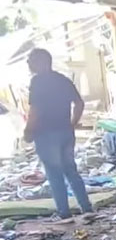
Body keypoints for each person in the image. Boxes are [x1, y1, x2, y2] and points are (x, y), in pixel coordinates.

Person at [23, 48, 94, 219]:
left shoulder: (37, 82)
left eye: (31, 61)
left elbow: (35, 111)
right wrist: (72, 124)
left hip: (46, 134)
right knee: (71, 171)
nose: (29, 64)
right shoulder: (63, 80)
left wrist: (28, 131)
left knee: (54, 174)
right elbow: (79, 103)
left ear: (41, 62)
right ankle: (86, 207)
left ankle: (64, 212)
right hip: (65, 132)